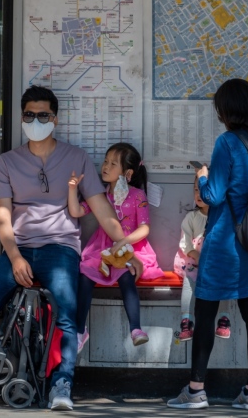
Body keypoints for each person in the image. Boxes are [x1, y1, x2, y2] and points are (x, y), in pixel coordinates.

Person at [0, 86, 142, 411]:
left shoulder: (76, 158)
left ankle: (61, 384)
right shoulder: (7, 162)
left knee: (68, 312)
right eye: (29, 115)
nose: (36, 120)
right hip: (18, 248)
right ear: (22, 117)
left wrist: (125, 249)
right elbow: (2, 216)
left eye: (43, 115)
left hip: (60, 248)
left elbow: (103, 210)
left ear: (55, 118)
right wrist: (15, 256)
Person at [166, 79, 248, 411]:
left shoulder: (226, 142)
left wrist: (202, 174)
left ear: (229, 110)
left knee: (205, 310)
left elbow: (212, 196)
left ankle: (196, 390)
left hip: (226, 242)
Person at [68, 142, 163, 351]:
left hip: (132, 248)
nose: (105, 166)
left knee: (126, 274)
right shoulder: (100, 195)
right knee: (85, 275)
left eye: (113, 164)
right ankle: (79, 330)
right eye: (105, 161)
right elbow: (76, 212)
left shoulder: (138, 195)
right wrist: (72, 189)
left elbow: (144, 228)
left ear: (127, 173)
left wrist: (123, 242)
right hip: (102, 249)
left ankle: (136, 328)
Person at [175, 178, 232, 342]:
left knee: (225, 282)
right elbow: (184, 242)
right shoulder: (191, 217)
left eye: (202, 190)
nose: (198, 194)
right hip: (195, 263)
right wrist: (196, 255)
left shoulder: (222, 217)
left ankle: (223, 319)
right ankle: (186, 321)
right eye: (195, 190)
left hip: (216, 264)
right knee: (188, 285)